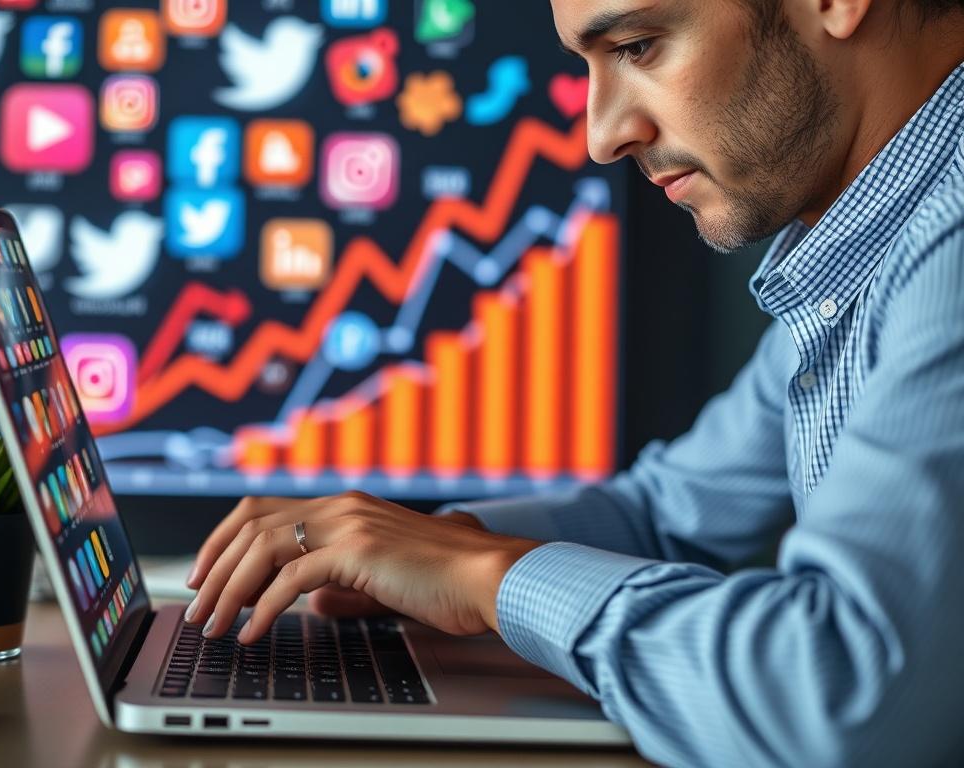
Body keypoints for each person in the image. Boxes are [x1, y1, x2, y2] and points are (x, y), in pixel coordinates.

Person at [182, 1, 964, 764]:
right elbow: (668, 515)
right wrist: (428, 545)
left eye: (638, 45)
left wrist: (486, 577)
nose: (602, 136)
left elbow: (845, 704)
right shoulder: (863, 250)